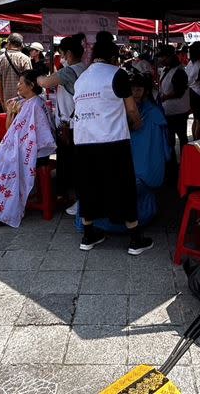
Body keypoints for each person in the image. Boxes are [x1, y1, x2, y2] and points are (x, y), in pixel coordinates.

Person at [72, 36, 152, 255]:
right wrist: (137, 123)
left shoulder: (81, 79)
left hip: (83, 141)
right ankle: (135, 239)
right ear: (114, 57)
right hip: (112, 141)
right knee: (123, 186)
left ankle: (88, 236)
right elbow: (132, 109)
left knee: (89, 187)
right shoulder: (117, 74)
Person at [0, 70, 56, 227]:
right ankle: (1, 206)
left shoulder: (35, 104)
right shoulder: (26, 103)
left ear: (30, 86)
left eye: (21, 83)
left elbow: (29, 136)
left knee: (2, 167)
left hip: (36, 151)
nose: (18, 85)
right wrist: (10, 112)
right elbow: (12, 129)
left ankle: (6, 209)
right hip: (28, 148)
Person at [37, 33, 86, 214]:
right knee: (75, 163)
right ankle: (74, 198)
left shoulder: (68, 72)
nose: (62, 58)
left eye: (62, 54)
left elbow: (44, 82)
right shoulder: (84, 68)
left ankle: (76, 201)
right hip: (80, 123)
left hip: (70, 125)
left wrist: (36, 76)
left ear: (68, 53)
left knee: (70, 164)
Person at [157, 44, 190, 158]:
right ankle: (171, 163)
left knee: (181, 138)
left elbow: (179, 92)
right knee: (169, 139)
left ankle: (184, 162)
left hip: (178, 111)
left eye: (163, 57)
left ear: (169, 57)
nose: (160, 60)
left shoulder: (179, 71)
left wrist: (165, 97)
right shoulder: (165, 70)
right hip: (168, 110)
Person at [0, 33, 32, 105]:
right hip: (23, 98)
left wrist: (1, 99)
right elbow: (29, 80)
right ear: (21, 45)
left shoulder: (0, 59)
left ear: (8, 43)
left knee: (9, 116)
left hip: (7, 99)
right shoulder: (25, 59)